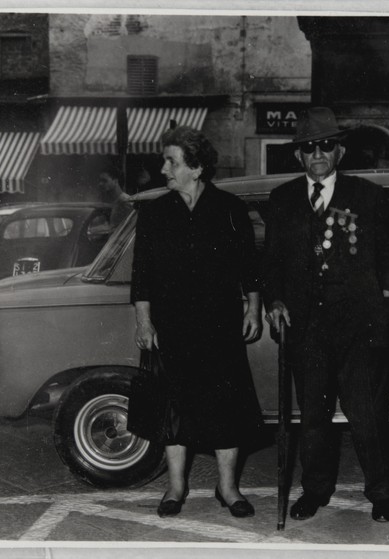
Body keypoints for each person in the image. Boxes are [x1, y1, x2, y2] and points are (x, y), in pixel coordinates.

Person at [262, 107, 389, 522]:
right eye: (309, 148)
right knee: (313, 417)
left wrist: (385, 304)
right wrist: (274, 301)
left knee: (368, 416)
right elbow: (270, 263)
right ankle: (315, 490)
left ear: (339, 152)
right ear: (298, 156)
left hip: (359, 328)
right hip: (306, 330)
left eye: (326, 146)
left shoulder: (367, 196)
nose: (317, 154)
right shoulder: (282, 199)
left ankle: (382, 492)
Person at [131, 126, 264, 519]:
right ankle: (176, 486)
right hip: (171, 327)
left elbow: (249, 266)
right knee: (174, 407)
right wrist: (144, 321)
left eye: (171, 162)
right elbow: (142, 274)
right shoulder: (155, 213)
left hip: (220, 325)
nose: (164, 169)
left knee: (225, 407)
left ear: (196, 167)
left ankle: (228, 488)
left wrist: (253, 308)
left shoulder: (230, 208)